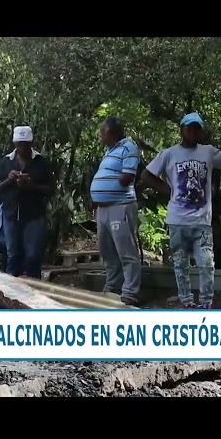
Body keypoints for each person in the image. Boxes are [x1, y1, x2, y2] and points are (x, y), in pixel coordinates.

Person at [141, 112, 221, 309]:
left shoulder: (208, 152)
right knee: (180, 265)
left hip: (201, 222)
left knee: (206, 264)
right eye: (189, 127)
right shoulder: (169, 154)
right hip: (177, 221)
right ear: (182, 129)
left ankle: (205, 303)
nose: (193, 131)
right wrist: (168, 190)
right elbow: (146, 175)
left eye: (197, 128)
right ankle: (186, 301)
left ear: (200, 132)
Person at [89, 117, 142, 306]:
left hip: (121, 206)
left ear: (112, 133)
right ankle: (113, 286)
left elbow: (128, 176)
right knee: (107, 250)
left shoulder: (129, 148)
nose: (100, 136)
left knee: (126, 250)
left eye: (103, 133)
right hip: (104, 208)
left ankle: (130, 292)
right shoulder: (109, 151)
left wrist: (111, 185)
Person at [0, 126, 54, 279]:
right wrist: (9, 180)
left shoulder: (41, 162)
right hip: (10, 214)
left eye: (25, 144)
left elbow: (50, 189)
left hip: (34, 216)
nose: (22, 148)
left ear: (31, 143)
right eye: (19, 144)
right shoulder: (6, 161)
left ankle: (35, 288)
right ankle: (9, 292)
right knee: (12, 253)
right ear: (15, 144)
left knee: (33, 254)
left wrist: (31, 185)